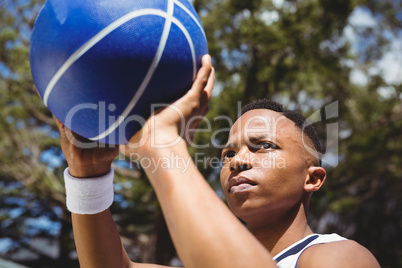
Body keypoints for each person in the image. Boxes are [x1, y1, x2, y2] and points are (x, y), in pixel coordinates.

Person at [55, 55, 380, 267]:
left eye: (263, 146)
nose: (237, 161)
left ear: (312, 178)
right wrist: (88, 176)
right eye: (228, 153)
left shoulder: (341, 256)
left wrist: (163, 146)